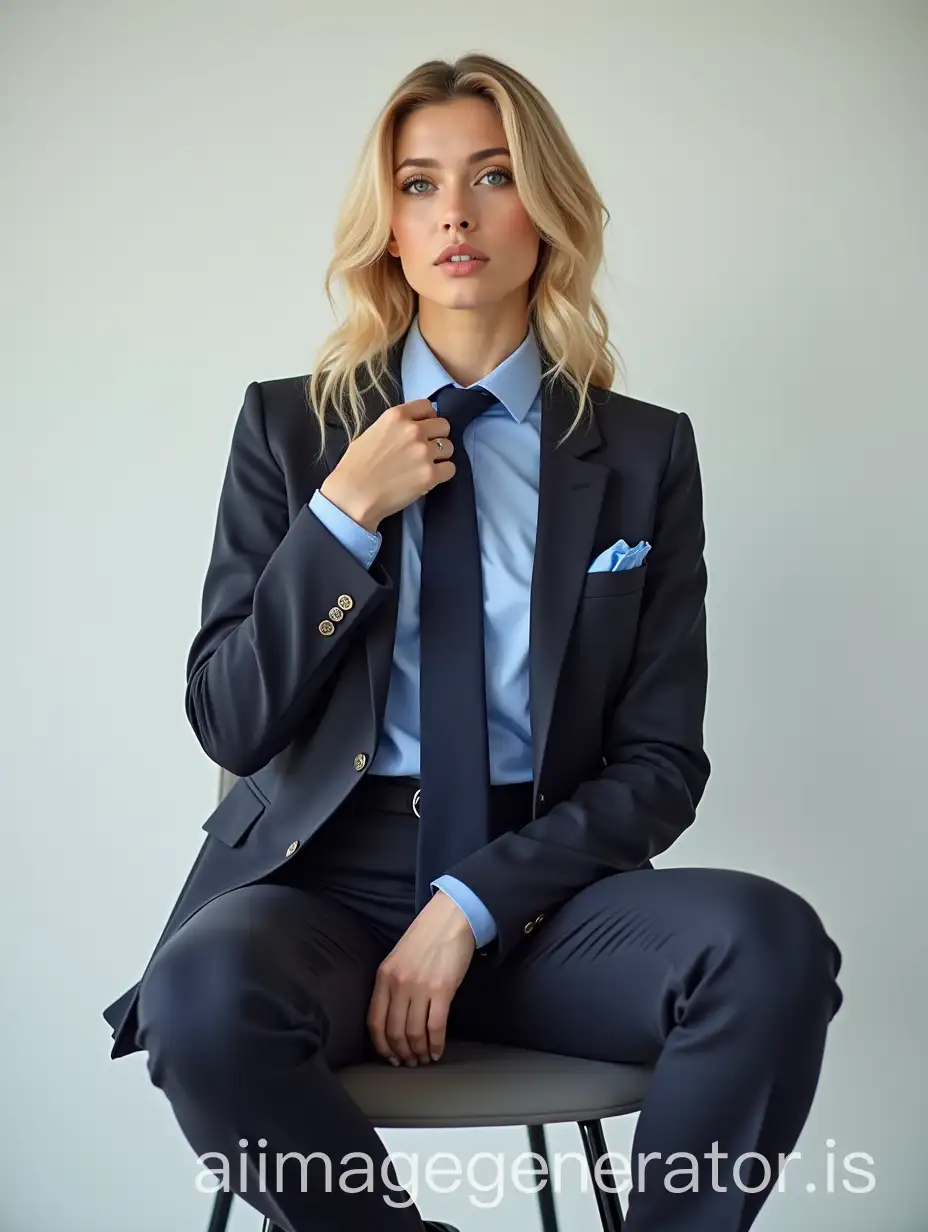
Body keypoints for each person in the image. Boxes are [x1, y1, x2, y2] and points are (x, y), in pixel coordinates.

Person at [102, 51, 843, 1232]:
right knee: (201, 992)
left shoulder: (642, 453)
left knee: (769, 943)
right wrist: (341, 513)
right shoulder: (291, 430)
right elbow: (230, 718)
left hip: (545, 897)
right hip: (322, 896)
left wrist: (469, 903)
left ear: (546, 211)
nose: (455, 211)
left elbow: (660, 765)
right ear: (385, 228)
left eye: (493, 176)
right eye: (418, 183)